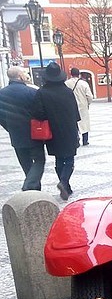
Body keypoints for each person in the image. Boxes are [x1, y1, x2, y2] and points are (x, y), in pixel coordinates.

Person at [32, 62, 80, 201]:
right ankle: (64, 182)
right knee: (69, 158)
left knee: (59, 159)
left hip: (52, 131)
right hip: (69, 129)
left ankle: (65, 185)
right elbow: (75, 112)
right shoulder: (68, 91)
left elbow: (38, 113)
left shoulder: (41, 92)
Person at [0, 66, 46, 190]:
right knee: (39, 161)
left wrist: (9, 127)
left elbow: (1, 117)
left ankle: (34, 190)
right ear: (20, 76)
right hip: (33, 133)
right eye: (24, 73)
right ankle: (29, 186)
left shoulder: (1, 94)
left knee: (26, 164)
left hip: (16, 135)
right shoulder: (31, 92)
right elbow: (40, 112)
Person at [65, 68, 93, 145]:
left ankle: (76, 141)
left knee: (74, 123)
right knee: (84, 123)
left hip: (71, 106)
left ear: (71, 74)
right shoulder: (84, 83)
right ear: (79, 74)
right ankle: (85, 140)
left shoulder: (66, 83)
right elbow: (90, 96)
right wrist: (87, 103)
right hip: (83, 106)